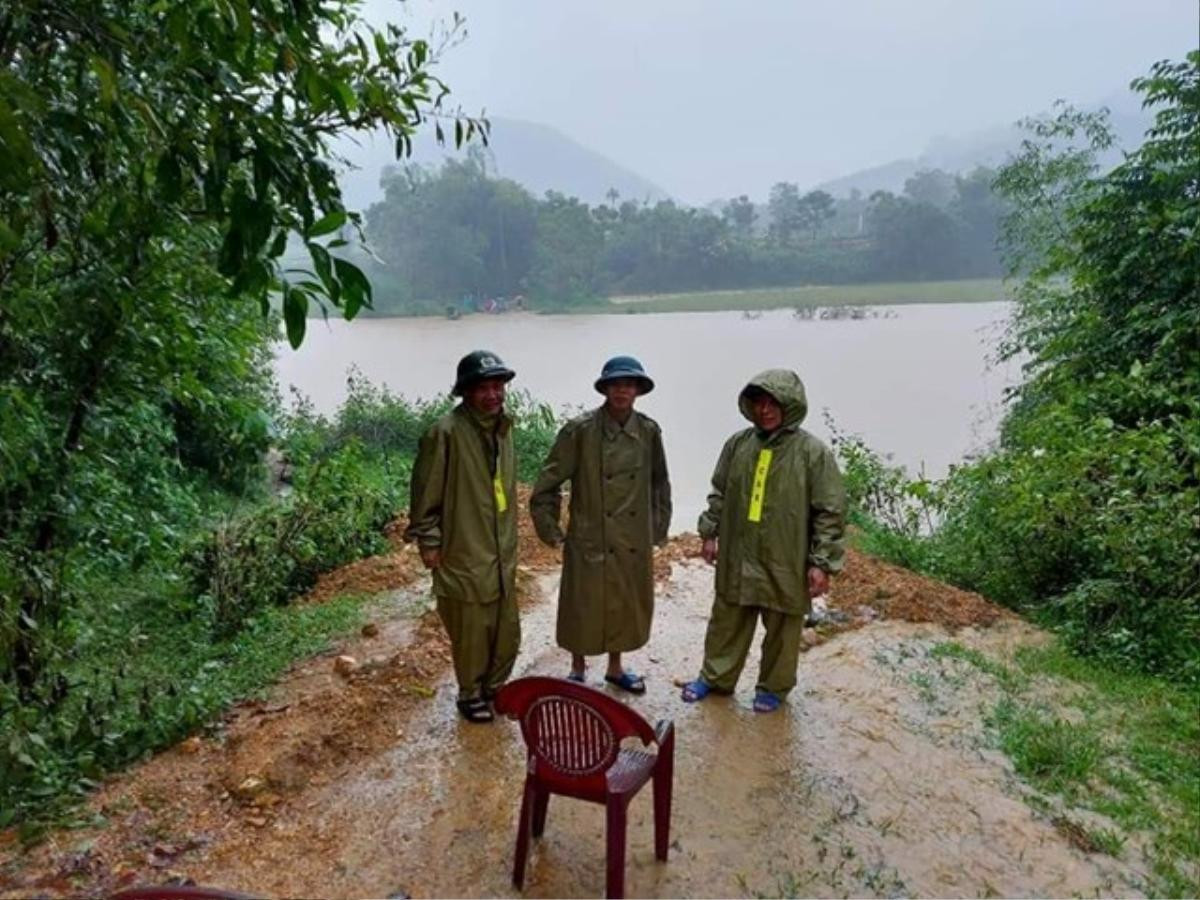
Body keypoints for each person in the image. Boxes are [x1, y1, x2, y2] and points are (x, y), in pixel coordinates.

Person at [681, 369, 846, 713]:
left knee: (784, 629)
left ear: (790, 406)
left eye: (774, 403)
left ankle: (773, 688)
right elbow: (720, 492)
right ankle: (715, 678)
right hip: (739, 554)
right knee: (726, 618)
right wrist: (710, 532)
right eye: (759, 403)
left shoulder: (812, 453)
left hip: (787, 557)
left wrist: (821, 562)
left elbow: (829, 512)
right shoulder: (738, 444)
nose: (765, 410)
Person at [530, 356, 672, 693]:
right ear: (605, 388)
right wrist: (552, 530)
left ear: (638, 390)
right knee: (583, 604)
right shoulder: (580, 431)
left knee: (623, 602)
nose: (622, 390)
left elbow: (659, 483)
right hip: (589, 533)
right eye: (615, 384)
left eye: (629, 384)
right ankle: (577, 669)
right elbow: (548, 483)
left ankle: (615, 667)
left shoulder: (648, 431)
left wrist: (657, 529)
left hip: (631, 537)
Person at [404, 350, 520, 723]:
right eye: (483, 388)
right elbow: (426, 492)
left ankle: (494, 687)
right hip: (463, 546)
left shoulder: (503, 430)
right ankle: (470, 692)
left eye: (497, 386)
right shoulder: (445, 433)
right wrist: (430, 541)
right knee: (471, 627)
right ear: (466, 392)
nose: (492, 395)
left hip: (500, 547)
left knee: (506, 628)